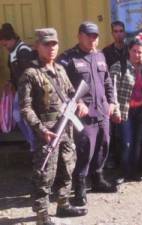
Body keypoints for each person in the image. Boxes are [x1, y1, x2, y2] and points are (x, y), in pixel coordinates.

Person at [18, 28, 88, 225]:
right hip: (47, 132)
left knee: (68, 166)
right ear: (37, 46)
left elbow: (73, 92)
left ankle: (63, 205)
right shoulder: (30, 74)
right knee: (44, 173)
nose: (51, 48)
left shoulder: (60, 69)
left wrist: (81, 104)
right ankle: (42, 216)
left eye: (54, 44)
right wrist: (40, 129)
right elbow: (25, 108)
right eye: (46, 44)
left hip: (66, 127)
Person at [57, 21, 118, 207]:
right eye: (89, 35)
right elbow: (61, 87)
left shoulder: (100, 56)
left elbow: (107, 82)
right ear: (79, 35)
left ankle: (98, 179)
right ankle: (80, 188)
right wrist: (77, 102)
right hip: (83, 115)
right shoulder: (68, 59)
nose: (93, 39)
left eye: (95, 36)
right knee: (85, 150)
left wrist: (113, 102)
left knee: (103, 145)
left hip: (102, 112)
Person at [110, 39, 142, 182]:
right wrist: (115, 110)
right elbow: (112, 91)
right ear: (129, 51)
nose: (137, 54)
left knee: (138, 143)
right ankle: (124, 172)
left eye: (140, 52)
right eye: (134, 51)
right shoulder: (119, 66)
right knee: (126, 143)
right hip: (126, 111)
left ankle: (134, 172)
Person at [0, 23, 35, 150]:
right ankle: (31, 142)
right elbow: (15, 72)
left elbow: (29, 73)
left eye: (5, 44)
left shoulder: (23, 51)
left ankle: (34, 145)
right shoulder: (14, 51)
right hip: (21, 90)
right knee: (19, 117)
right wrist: (11, 82)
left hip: (28, 91)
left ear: (12, 39)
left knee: (24, 118)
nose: (5, 47)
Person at [102, 20, 128, 169]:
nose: (118, 34)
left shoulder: (129, 49)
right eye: (115, 31)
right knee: (111, 126)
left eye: (121, 31)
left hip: (126, 92)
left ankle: (123, 158)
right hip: (111, 92)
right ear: (112, 33)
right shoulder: (106, 52)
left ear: (124, 32)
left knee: (123, 127)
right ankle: (110, 157)